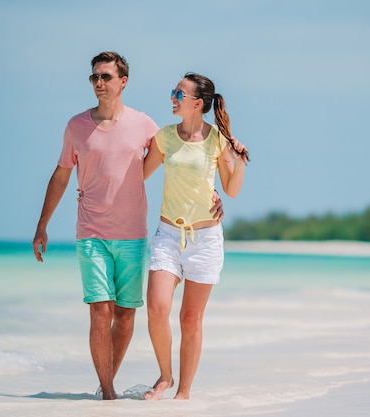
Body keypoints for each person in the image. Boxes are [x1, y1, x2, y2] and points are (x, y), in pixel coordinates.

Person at [31, 53, 223, 400]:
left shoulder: (146, 126)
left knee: (125, 316)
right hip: (90, 232)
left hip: (133, 234)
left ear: (123, 81)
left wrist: (211, 193)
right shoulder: (76, 126)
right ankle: (107, 392)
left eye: (105, 76)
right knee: (100, 311)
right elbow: (61, 176)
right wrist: (42, 225)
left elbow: (183, 157)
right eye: (94, 78)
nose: (99, 83)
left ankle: (110, 385)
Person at [142, 72, 249, 400]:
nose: (172, 97)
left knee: (190, 318)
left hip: (205, 240)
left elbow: (230, 190)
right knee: (157, 307)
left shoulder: (218, 139)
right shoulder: (165, 137)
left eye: (178, 93)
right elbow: (138, 175)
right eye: (173, 92)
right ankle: (165, 376)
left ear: (197, 104)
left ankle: (183, 393)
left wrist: (240, 160)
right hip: (168, 234)